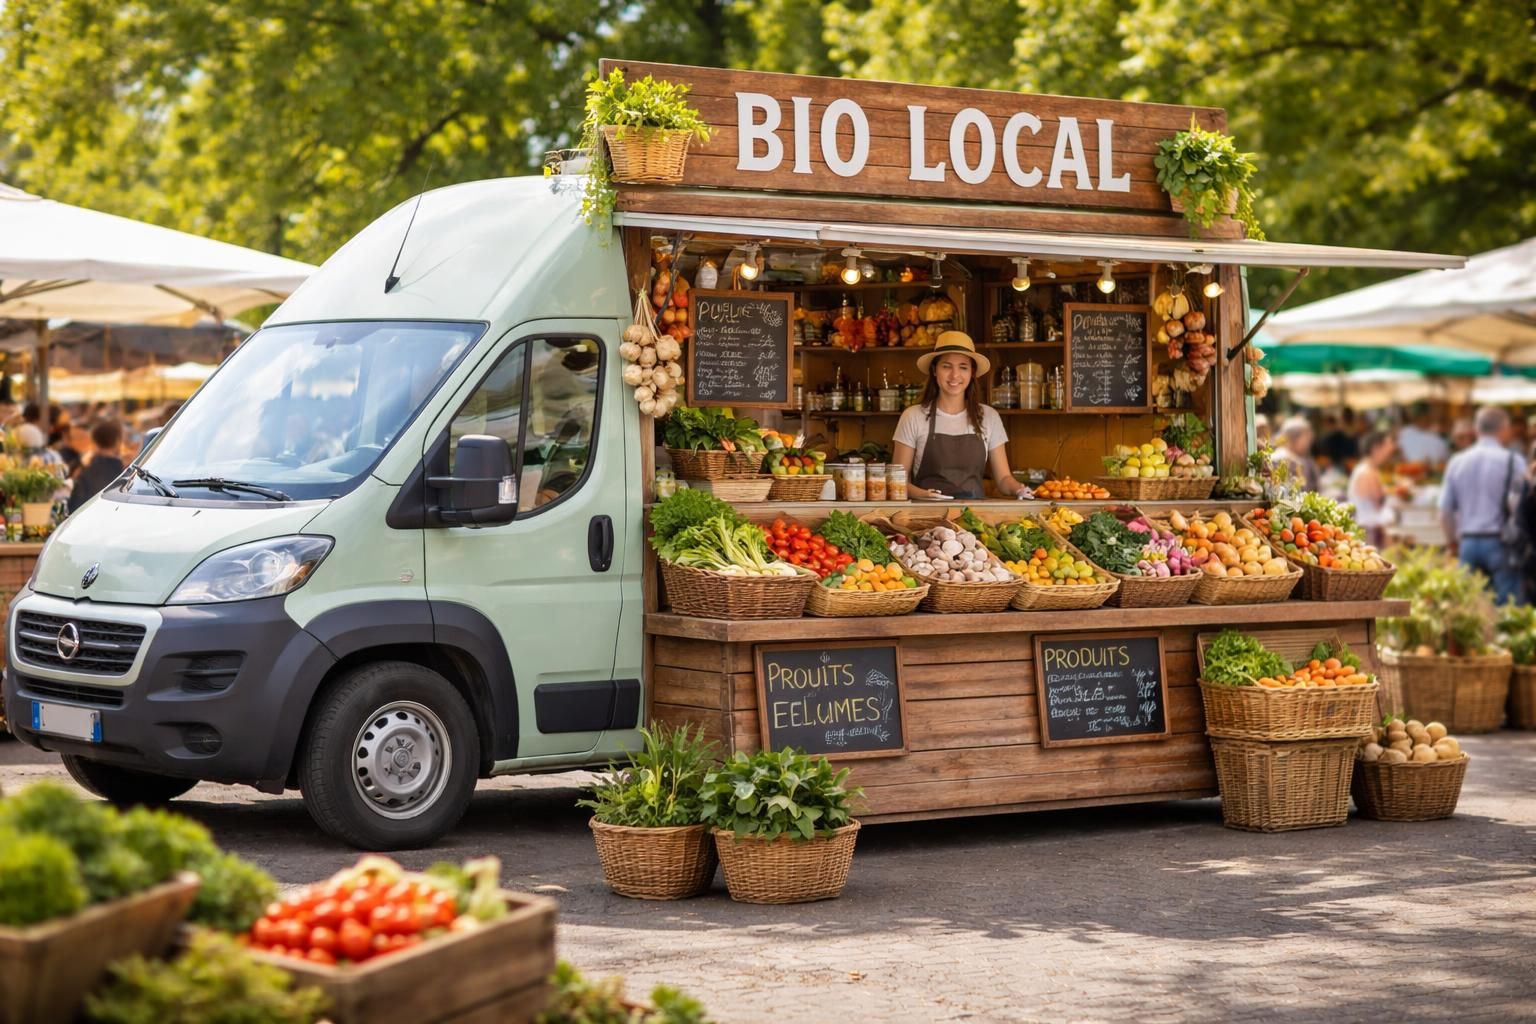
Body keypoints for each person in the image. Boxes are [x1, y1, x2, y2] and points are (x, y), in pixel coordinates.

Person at [891, 332, 1028, 501]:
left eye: (963, 367)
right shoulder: (912, 416)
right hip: (925, 515)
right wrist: (924, 495)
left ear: (972, 373)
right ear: (934, 370)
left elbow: (1003, 479)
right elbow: (896, 482)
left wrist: (1018, 489)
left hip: (975, 518)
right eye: (946, 366)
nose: (954, 375)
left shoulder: (989, 417)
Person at [1439, 406, 1528, 605]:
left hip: (1468, 543)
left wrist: (1451, 542)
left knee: (1470, 611)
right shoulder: (1514, 461)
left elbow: (1444, 512)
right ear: (1505, 429)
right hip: (1501, 542)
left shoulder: (1457, 461)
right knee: (1508, 611)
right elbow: (1522, 505)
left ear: (1476, 430)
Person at [1347, 430, 1395, 548]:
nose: (1390, 450)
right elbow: (1378, 500)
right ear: (1375, 448)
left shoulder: (1368, 469)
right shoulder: (1366, 472)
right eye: (1387, 446)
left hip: (1370, 530)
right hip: (1369, 533)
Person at [68, 419, 126, 513]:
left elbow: (74, 507)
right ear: (117, 442)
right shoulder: (126, 472)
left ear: (94, 442)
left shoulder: (84, 471)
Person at [1271, 416, 1320, 493]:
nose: (1309, 443)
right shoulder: (1279, 459)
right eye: (1306, 437)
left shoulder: (1304, 459)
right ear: (1293, 437)